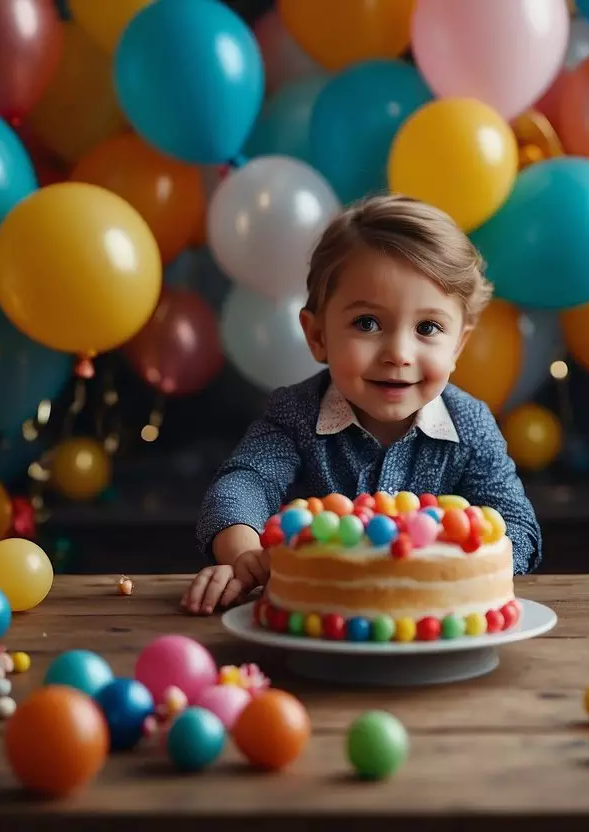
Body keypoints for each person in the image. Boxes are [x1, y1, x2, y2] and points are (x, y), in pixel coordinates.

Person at [182, 194, 542, 615]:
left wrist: (451, 571)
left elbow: (517, 525)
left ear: (458, 344)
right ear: (317, 336)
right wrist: (243, 555)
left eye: (428, 327)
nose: (398, 353)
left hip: (433, 628)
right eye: (367, 323)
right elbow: (244, 483)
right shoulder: (295, 415)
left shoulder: (471, 425)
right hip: (319, 631)